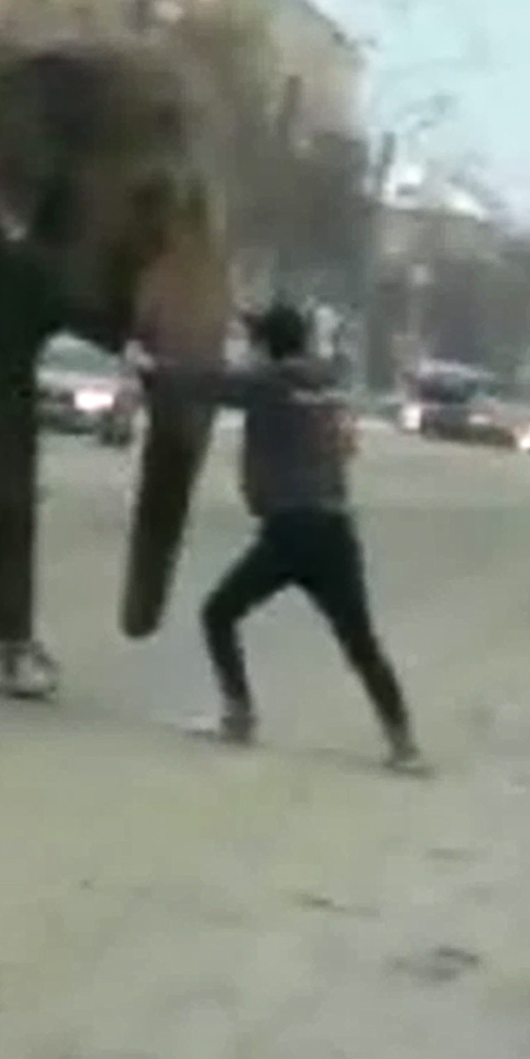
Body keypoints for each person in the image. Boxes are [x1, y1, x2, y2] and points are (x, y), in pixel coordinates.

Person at [138, 298, 425, 773]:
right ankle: (403, 743)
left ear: (267, 347)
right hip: (335, 528)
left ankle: (239, 715)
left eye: (255, 344)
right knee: (359, 640)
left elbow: (206, 384)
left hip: (291, 529)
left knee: (219, 613)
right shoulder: (325, 383)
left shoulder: (269, 383)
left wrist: (151, 369)